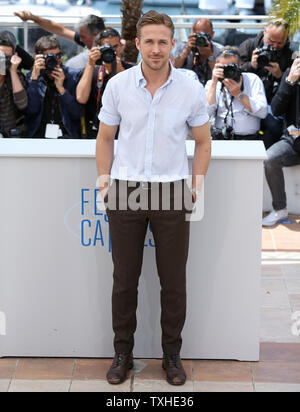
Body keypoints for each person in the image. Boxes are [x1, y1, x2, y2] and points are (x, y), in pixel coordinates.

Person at [96, 10, 211, 385]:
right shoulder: (118, 86)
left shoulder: (190, 88)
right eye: (149, 41)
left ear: (172, 42)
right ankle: (122, 354)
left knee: (174, 281)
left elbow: (203, 140)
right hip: (126, 189)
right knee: (124, 280)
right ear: (137, 44)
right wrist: (104, 180)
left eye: (163, 41)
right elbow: (105, 138)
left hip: (173, 189)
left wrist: (196, 184)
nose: (156, 49)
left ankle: (172, 356)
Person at [239, 19, 293, 148]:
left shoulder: (289, 54)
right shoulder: (248, 46)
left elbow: (292, 87)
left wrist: (280, 76)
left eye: (279, 43)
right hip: (247, 100)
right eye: (271, 41)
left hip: (272, 102)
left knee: (275, 127)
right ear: (264, 32)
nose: (274, 46)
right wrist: (251, 65)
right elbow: (236, 73)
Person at [262, 57, 300, 226]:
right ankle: (280, 208)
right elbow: (276, 109)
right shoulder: (291, 74)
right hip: (294, 140)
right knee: (270, 159)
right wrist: (290, 81)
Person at [76, 28, 132, 138]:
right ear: (98, 49)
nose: (112, 51)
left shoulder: (131, 70)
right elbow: (81, 97)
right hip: (95, 131)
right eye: (107, 48)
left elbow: (137, 98)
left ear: (121, 46)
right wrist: (90, 64)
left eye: (115, 46)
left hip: (124, 132)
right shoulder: (92, 70)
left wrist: (120, 71)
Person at [205, 47, 267, 140]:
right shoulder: (212, 84)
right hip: (220, 138)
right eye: (223, 68)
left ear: (240, 66)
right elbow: (205, 114)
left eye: (231, 67)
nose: (227, 72)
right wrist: (214, 83)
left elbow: (263, 112)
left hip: (248, 139)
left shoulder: (252, 79)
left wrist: (239, 94)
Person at [25, 35, 81, 139]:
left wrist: (62, 89)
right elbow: (31, 111)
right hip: (39, 136)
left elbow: (77, 114)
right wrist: (34, 80)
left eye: (58, 56)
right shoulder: (32, 77)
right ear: (38, 57)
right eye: (50, 57)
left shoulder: (73, 76)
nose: (55, 60)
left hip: (67, 135)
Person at [14, 11, 106, 70]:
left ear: (96, 35)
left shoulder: (114, 48)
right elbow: (60, 30)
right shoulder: (89, 39)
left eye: (83, 37)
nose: (80, 39)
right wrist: (33, 18)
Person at [174, 18, 223, 86]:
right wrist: (186, 52)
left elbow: (221, 76)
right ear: (192, 34)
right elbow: (174, 68)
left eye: (205, 35)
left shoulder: (219, 50)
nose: (201, 38)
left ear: (212, 34)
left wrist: (210, 56)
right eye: (198, 35)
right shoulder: (183, 47)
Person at [0, 32, 28, 138]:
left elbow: (22, 104)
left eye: (6, 57)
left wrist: (12, 70)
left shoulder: (16, 76)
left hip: (10, 136)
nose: (2, 61)